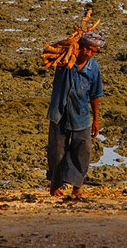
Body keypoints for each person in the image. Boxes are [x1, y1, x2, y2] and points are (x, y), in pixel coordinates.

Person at [46, 30, 104, 198]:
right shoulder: (65, 61)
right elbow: (56, 50)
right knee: (57, 151)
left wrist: (96, 120)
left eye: (94, 51)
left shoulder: (93, 68)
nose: (90, 54)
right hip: (60, 112)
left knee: (83, 150)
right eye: (88, 49)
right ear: (81, 47)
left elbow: (95, 95)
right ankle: (55, 185)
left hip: (81, 114)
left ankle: (77, 186)